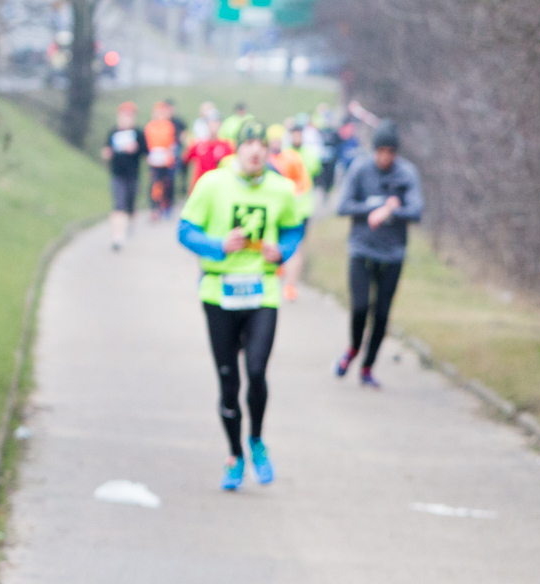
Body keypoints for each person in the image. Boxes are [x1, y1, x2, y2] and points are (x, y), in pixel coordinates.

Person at [177, 119, 305, 491]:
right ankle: (234, 454)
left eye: (261, 145)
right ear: (237, 148)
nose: (255, 151)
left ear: (268, 150)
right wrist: (217, 246)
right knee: (228, 380)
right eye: (248, 144)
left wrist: (282, 250)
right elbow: (185, 231)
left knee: (257, 369)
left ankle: (257, 440)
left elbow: (294, 229)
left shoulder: (281, 189)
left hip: (262, 291)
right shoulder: (212, 184)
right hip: (219, 292)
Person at [334, 120, 423, 387]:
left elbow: (416, 211)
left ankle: (368, 366)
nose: (386, 157)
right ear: (374, 150)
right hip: (362, 251)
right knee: (360, 307)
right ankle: (352, 349)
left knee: (382, 315)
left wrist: (392, 210)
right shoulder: (361, 169)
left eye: (391, 152)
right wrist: (375, 206)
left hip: (393, 254)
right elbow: (343, 206)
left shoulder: (407, 174)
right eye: (381, 151)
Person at [266, 123, 313, 302]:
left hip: (296, 211)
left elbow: (304, 183)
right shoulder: (265, 160)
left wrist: (290, 196)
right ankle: (278, 270)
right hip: (274, 212)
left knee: (297, 247)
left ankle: (290, 286)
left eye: (279, 140)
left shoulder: (292, 158)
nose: (276, 143)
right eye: (273, 140)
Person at [100, 101, 146, 250]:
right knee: (118, 205)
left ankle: (131, 221)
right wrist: (106, 153)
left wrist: (136, 149)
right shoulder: (113, 132)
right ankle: (117, 237)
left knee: (130, 204)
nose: (126, 119)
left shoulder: (138, 133)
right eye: (124, 115)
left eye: (129, 116)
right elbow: (107, 150)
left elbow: (146, 152)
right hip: (117, 174)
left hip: (132, 175)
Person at [143, 101, 179, 219]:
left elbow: (172, 142)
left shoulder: (169, 125)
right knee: (155, 184)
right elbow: (147, 143)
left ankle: (167, 206)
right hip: (154, 159)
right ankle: (154, 207)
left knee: (168, 183)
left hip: (166, 159)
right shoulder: (150, 126)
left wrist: (169, 155)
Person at [182, 118, 232, 190]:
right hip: (200, 185)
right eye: (211, 124)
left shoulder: (226, 146)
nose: (213, 127)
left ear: (220, 126)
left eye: (216, 123)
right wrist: (186, 145)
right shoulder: (198, 144)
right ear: (207, 126)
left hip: (217, 185)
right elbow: (185, 159)